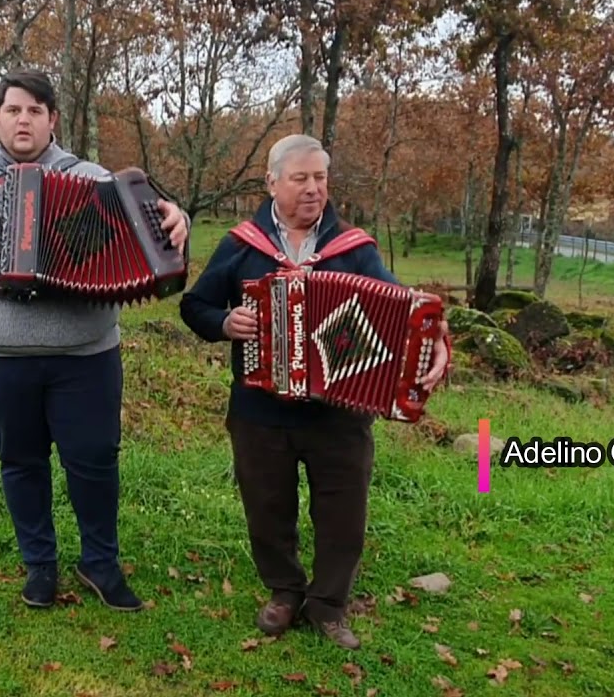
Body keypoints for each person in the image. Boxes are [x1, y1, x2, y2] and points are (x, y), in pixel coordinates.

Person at [0, 69, 190, 613]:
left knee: (95, 459)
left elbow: (153, 224)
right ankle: (40, 566)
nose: (23, 119)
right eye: (13, 109)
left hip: (85, 355)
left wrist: (177, 220)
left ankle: (100, 562)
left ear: (53, 119)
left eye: (35, 110)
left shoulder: (91, 177)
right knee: (21, 459)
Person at [178, 134, 450, 649]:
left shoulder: (355, 249)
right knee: (266, 506)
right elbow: (195, 306)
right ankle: (284, 591)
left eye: (320, 178)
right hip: (260, 410)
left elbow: (405, 312)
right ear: (272, 182)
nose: (312, 189)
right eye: (300, 178)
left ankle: (328, 605)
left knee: (343, 513)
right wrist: (224, 322)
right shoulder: (241, 245)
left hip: (339, 416)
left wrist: (437, 340)